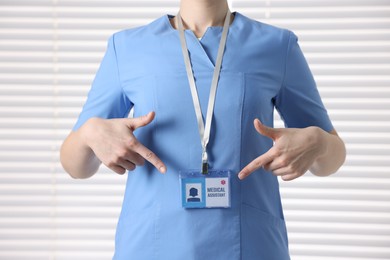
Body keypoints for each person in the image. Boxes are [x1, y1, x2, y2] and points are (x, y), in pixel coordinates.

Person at [60, 0, 346, 259]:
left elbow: (331, 158)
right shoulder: (127, 48)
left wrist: (319, 143)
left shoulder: (276, 46)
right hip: (150, 247)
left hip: (252, 247)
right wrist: (90, 133)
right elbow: (76, 166)